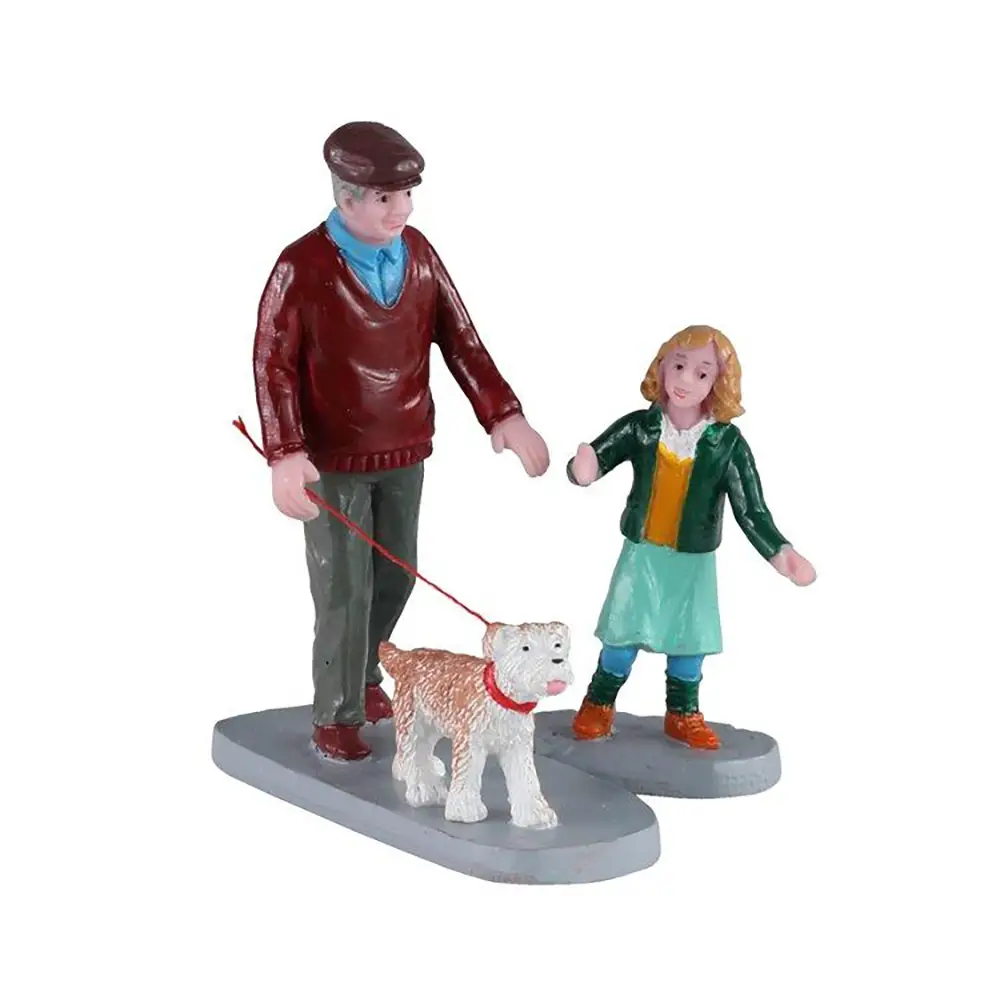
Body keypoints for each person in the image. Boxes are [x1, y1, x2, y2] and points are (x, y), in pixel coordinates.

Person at [253, 122, 549, 761]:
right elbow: (273, 364)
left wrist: (503, 414)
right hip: (331, 459)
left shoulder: (418, 254)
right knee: (343, 587)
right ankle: (335, 711)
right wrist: (284, 451)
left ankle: (363, 674)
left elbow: (461, 337)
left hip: (405, 447)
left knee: (396, 573)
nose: (403, 209)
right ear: (347, 196)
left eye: (407, 194)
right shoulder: (300, 266)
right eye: (386, 197)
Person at [568, 325, 815, 749]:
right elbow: (597, 457)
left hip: (693, 559)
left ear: (718, 383)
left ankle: (682, 713)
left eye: (702, 373)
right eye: (678, 366)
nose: (685, 380)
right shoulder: (642, 427)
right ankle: (599, 702)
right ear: (662, 366)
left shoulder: (726, 443)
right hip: (642, 553)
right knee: (621, 633)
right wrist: (584, 468)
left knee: (689, 641)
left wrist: (780, 551)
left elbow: (750, 508)